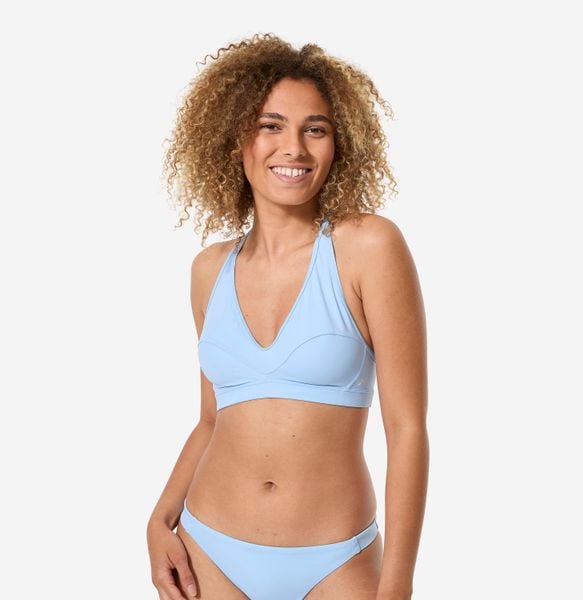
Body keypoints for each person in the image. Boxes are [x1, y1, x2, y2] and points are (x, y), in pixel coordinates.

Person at [147, 33, 429, 600]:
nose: (294, 148)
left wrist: (397, 586)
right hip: (209, 551)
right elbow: (212, 419)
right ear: (235, 140)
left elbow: (407, 429)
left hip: (337, 560)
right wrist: (159, 519)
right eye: (270, 125)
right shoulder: (208, 270)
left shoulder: (369, 247)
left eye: (315, 129)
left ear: (338, 144)